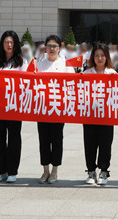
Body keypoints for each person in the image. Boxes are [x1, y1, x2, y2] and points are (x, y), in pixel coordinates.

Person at [36, 34, 74, 184]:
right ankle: (45, 171)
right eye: (49, 46)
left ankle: (55, 171)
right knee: (43, 140)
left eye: (55, 46)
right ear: (45, 48)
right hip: (42, 109)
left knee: (57, 140)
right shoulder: (39, 65)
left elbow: (72, 86)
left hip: (58, 109)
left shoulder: (66, 65)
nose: (52, 49)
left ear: (60, 48)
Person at [0, 31, 28, 184]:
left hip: (14, 105)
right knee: (0, 138)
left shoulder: (21, 62)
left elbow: (26, 82)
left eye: (12, 42)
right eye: (6, 42)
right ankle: (0, 170)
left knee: (14, 138)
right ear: (2, 43)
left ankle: (12, 171)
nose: (9, 45)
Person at [82, 42, 117, 186]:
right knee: (90, 144)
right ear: (92, 58)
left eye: (103, 55)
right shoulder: (86, 73)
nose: (100, 58)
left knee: (105, 144)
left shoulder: (112, 74)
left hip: (106, 116)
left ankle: (104, 171)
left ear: (107, 57)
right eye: (97, 56)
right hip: (90, 115)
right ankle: (91, 171)